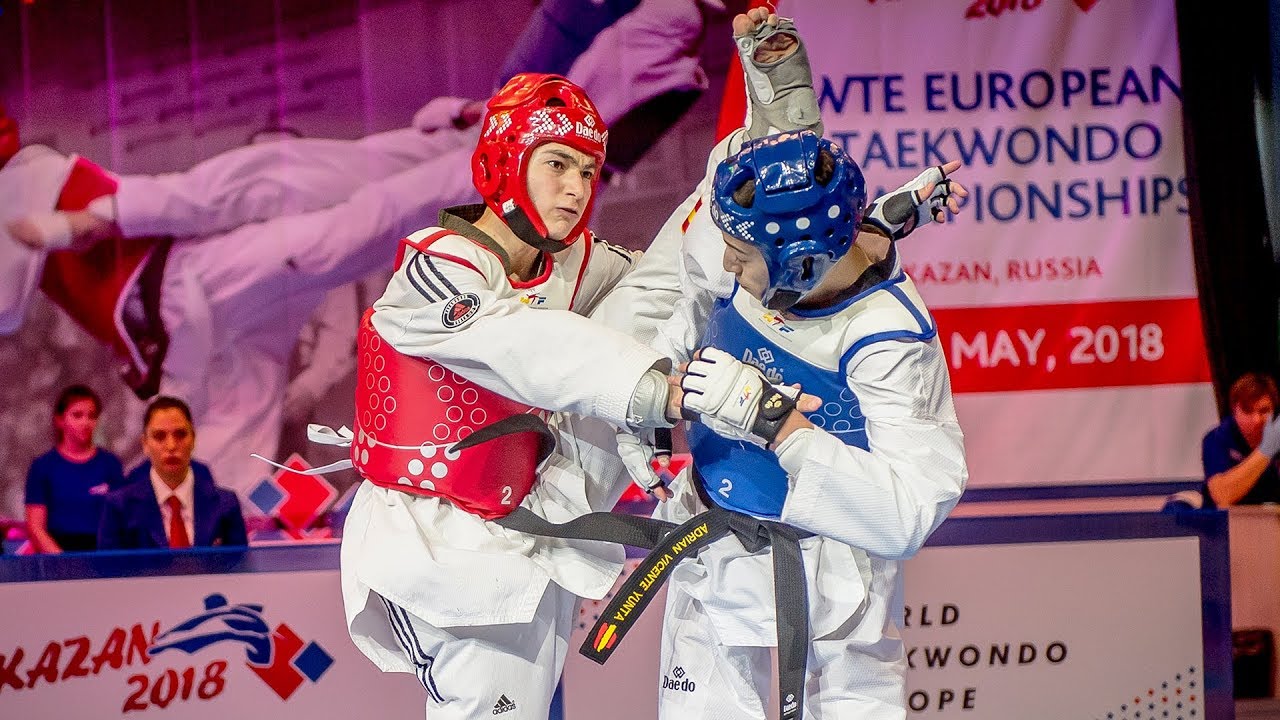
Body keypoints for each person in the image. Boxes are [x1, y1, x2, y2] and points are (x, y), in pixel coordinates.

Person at [0, 0, 714, 501]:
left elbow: (193, 199)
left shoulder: (243, 180)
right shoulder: (210, 353)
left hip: (186, 290)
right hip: (191, 309)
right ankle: (621, 72)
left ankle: (618, 72)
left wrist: (95, 217)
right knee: (365, 213)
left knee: (362, 203)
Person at [581, 11, 969, 720]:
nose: (726, 263)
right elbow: (691, 304)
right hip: (714, 533)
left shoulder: (888, 339)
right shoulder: (756, 246)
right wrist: (650, 398)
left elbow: (909, 512)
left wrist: (779, 424)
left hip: (835, 575)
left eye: (742, 256)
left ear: (801, 264)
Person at [336, 69, 704, 720]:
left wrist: (744, 160)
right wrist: (648, 391)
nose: (577, 189)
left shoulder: (578, 262)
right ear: (503, 163)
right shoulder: (435, 263)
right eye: (557, 164)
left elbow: (662, 284)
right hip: (441, 539)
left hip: (535, 519)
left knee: (657, 290)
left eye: (588, 171)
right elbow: (518, 342)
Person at [98, 396, 248, 550]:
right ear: (145, 444)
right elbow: (109, 565)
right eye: (159, 436)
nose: (171, 446)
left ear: (193, 439)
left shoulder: (226, 505)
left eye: (180, 434)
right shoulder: (119, 508)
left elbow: (240, 564)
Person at [24, 384, 125, 552]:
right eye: (77, 415)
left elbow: (121, 521)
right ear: (60, 420)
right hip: (57, 556)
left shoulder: (111, 464)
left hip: (104, 556)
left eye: (92, 416)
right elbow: (36, 529)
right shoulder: (42, 467)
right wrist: (63, 562)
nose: (85, 422)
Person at [1202, 372, 1280, 507]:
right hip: (1228, 518)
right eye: (1247, 411)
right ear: (1234, 411)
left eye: (1264, 411)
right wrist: (1266, 450)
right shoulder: (1216, 438)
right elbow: (1223, 497)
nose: (1257, 420)